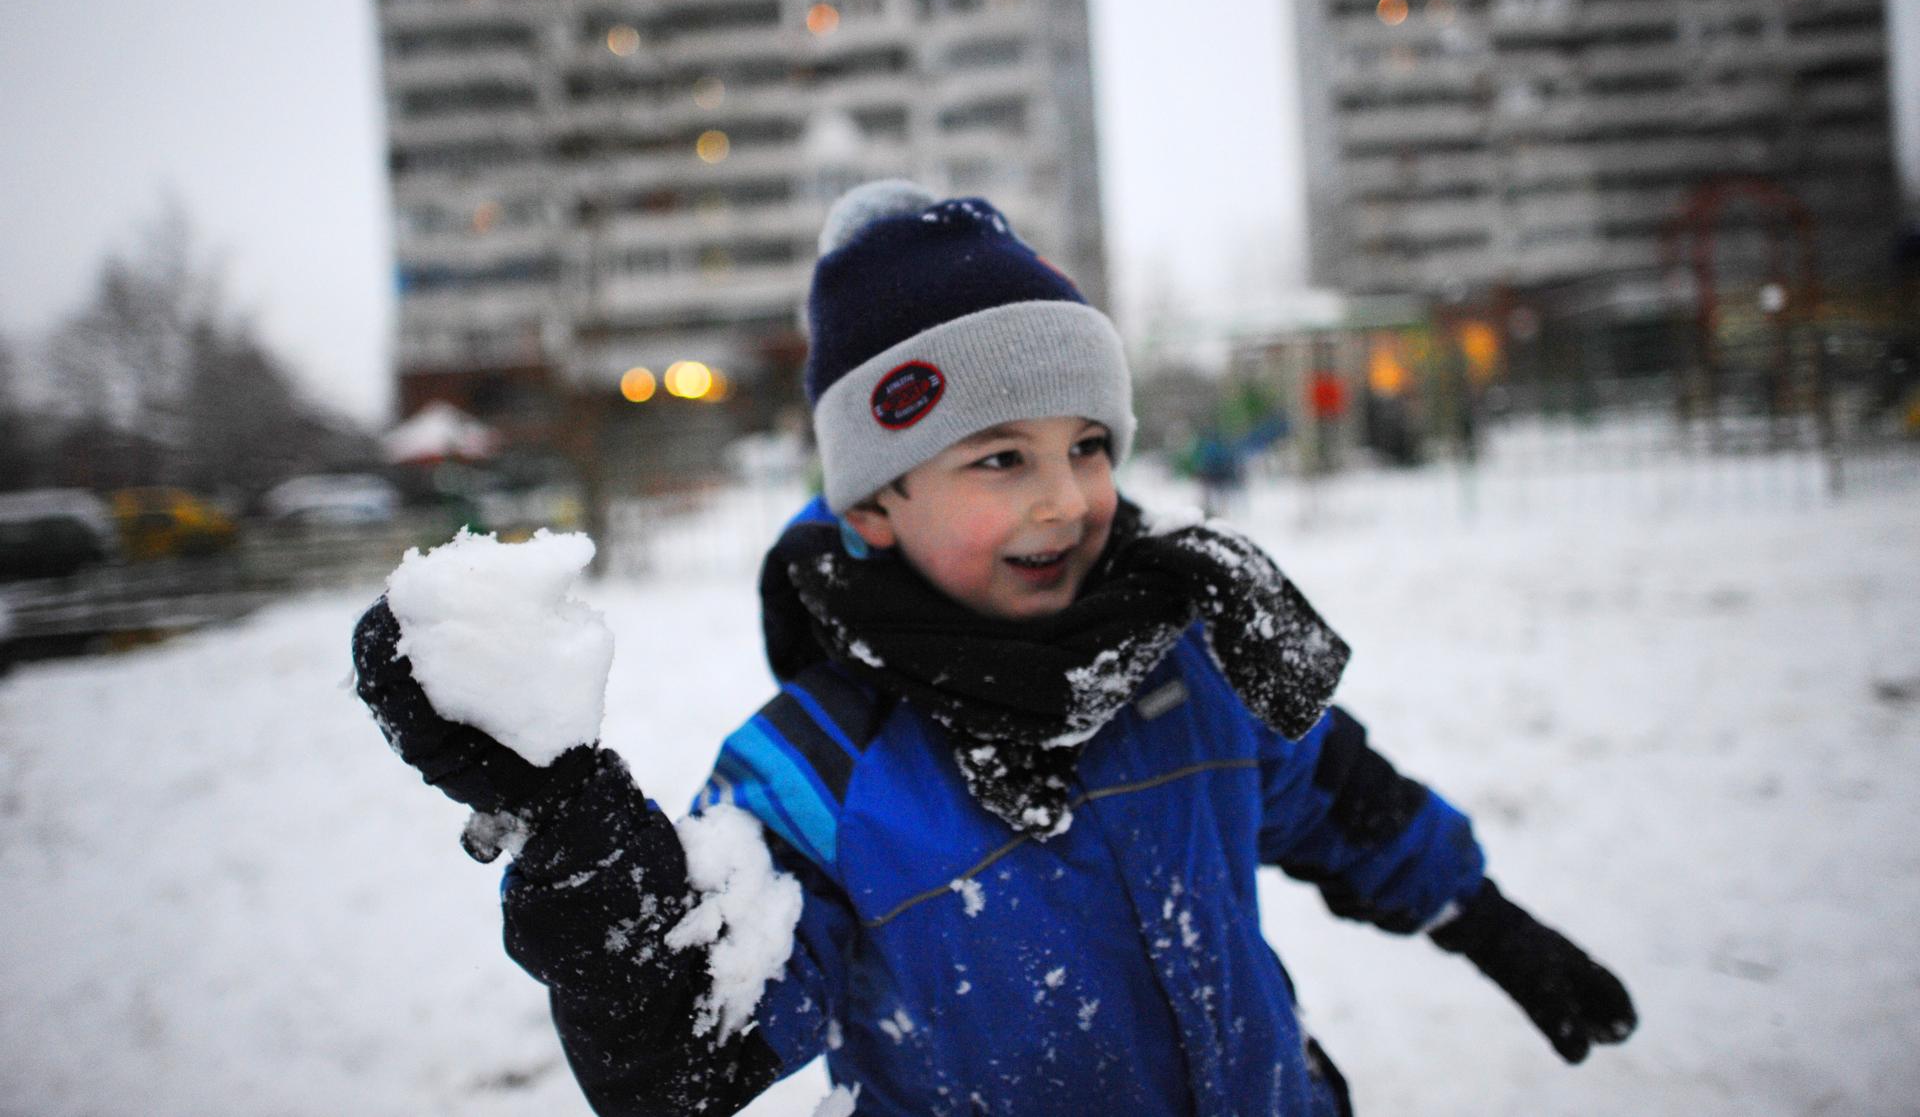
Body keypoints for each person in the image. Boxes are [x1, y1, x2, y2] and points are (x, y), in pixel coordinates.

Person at [353, 181, 1635, 1116]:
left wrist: (1479, 911)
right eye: (999, 458)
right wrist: (570, 821)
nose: (1067, 498)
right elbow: (688, 1044)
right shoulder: (818, 768)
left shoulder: (1185, 660)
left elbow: (1342, 799)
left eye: (1088, 444)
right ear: (873, 505)